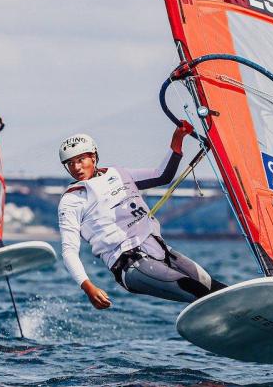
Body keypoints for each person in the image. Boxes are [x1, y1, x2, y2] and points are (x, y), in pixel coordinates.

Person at [57, 122, 227, 310]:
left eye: (81, 160)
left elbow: (163, 176)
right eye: (70, 164)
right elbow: (69, 251)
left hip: (161, 251)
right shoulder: (72, 199)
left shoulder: (119, 174)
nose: (76, 167)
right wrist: (88, 287)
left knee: (214, 287)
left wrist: (178, 139)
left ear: (93, 157)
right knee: (194, 288)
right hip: (130, 266)